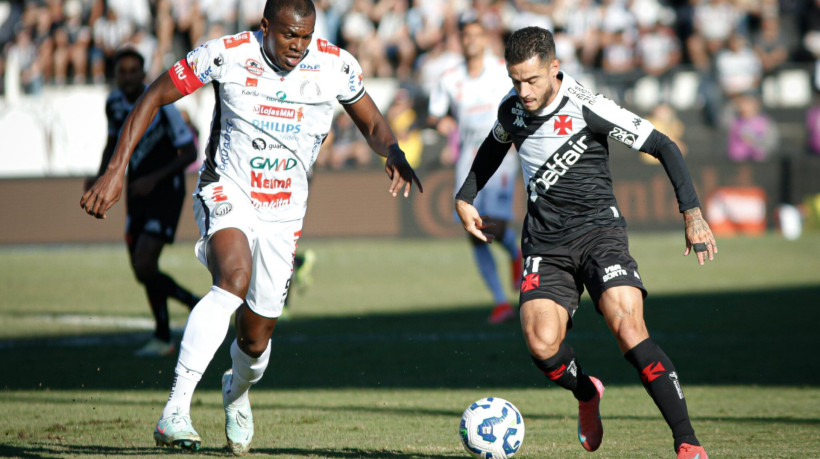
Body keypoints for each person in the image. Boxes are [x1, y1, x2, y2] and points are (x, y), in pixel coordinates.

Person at [80, 0, 422, 455]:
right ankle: (175, 410)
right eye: (288, 36)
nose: (298, 47)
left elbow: (373, 121)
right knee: (233, 278)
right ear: (265, 27)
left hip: (284, 212)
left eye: (305, 36)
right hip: (227, 189)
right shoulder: (226, 55)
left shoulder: (336, 66)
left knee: (255, 341)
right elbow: (154, 95)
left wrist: (392, 151)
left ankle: (236, 392)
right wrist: (116, 169)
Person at [454, 27, 716, 459]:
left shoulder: (588, 107)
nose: (523, 91)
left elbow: (663, 145)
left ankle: (687, 441)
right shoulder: (512, 110)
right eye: (515, 80)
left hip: (600, 234)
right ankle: (585, 392)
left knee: (629, 330)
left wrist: (692, 213)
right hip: (545, 244)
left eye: (532, 80)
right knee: (541, 343)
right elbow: (492, 147)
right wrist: (465, 196)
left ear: (554, 68)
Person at [86, 48, 200, 357]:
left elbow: (189, 153)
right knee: (142, 268)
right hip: (136, 192)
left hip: (165, 191)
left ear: (143, 73)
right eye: (121, 71)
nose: (127, 77)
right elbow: (112, 141)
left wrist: (154, 178)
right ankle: (165, 334)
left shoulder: (163, 105)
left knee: (145, 262)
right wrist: (102, 176)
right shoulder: (113, 104)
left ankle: (193, 306)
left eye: (133, 71)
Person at [428, 13, 522, 324]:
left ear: (485, 38)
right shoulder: (450, 77)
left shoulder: (500, 70)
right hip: (467, 156)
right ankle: (500, 302)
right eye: (465, 35)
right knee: (471, 229)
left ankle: (515, 254)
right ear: (460, 39)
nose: (470, 40)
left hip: (500, 154)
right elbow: (436, 114)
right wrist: (444, 127)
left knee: (493, 223)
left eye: (476, 34)